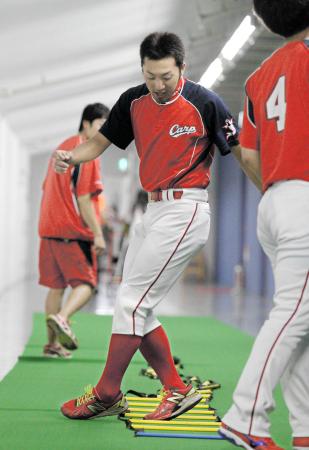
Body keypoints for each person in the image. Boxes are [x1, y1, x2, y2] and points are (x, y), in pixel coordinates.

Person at [54, 32, 256, 420]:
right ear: (142, 70)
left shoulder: (205, 103)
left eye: (166, 76)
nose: (159, 85)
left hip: (187, 211)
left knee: (132, 303)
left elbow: (243, 152)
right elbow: (98, 143)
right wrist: (72, 156)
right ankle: (177, 390)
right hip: (153, 212)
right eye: (151, 76)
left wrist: (276, 193)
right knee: (134, 305)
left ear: (182, 67)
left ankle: (106, 393)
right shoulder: (133, 102)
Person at [219, 1, 309, 449]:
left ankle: (304, 429)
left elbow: (247, 154)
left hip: (274, 201)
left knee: (300, 319)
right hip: (304, 201)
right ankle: (245, 416)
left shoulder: (259, 76)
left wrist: (279, 190)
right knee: (295, 314)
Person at [39, 103, 109, 358]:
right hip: (71, 229)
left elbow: (45, 186)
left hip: (47, 228)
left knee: (56, 288)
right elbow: (84, 199)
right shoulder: (85, 152)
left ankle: (52, 346)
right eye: (101, 126)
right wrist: (98, 233)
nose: (104, 133)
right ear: (87, 124)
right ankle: (63, 317)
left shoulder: (61, 148)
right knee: (86, 285)